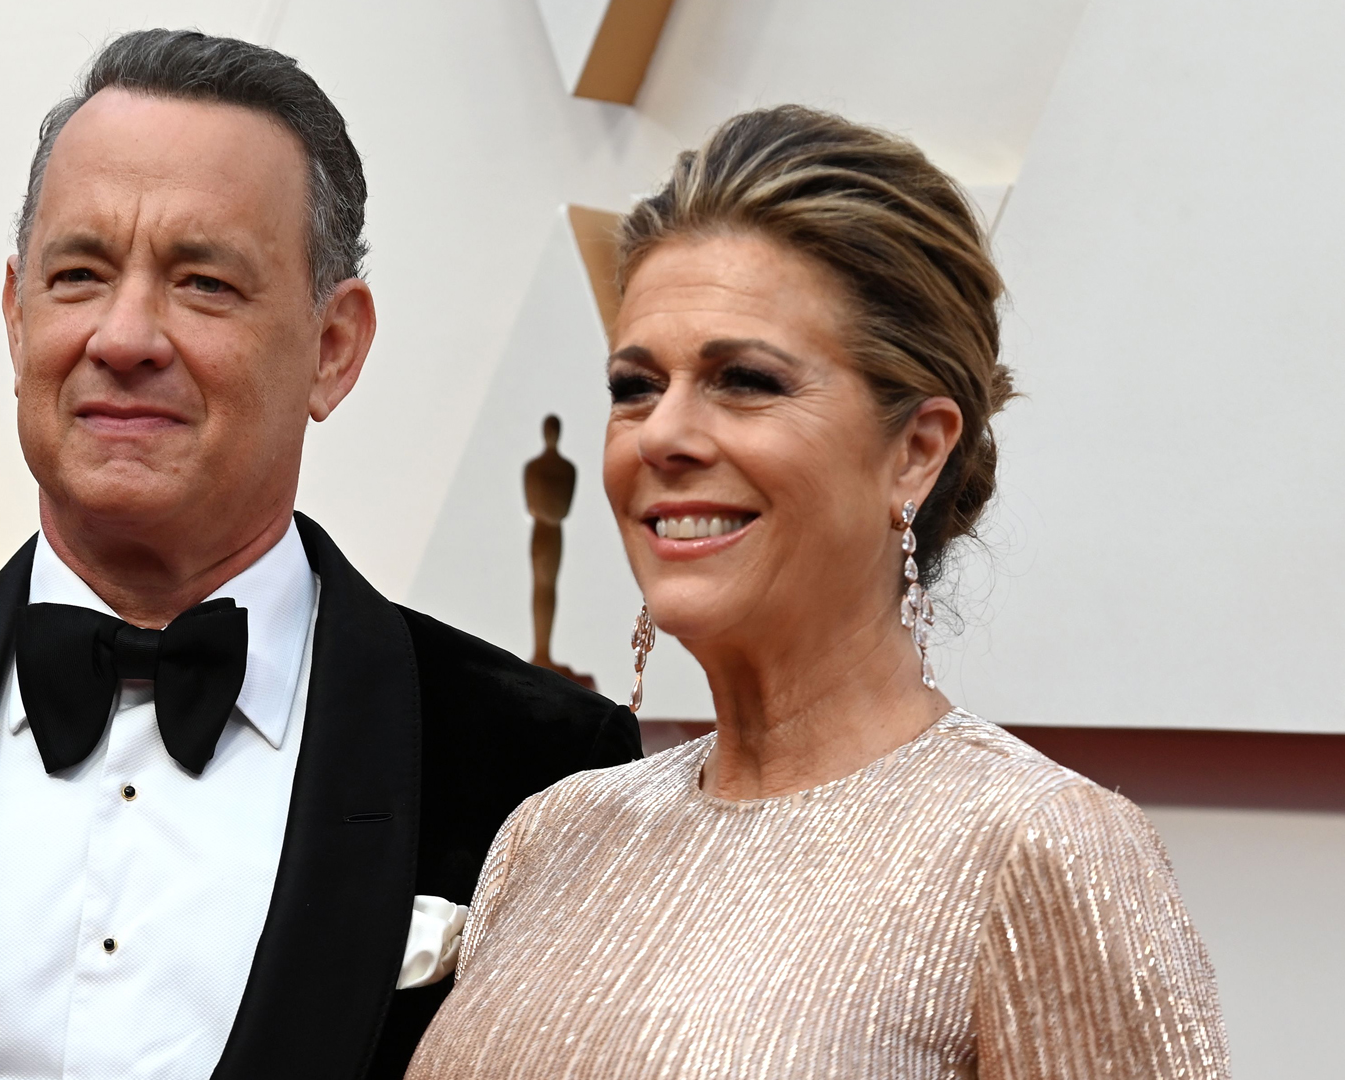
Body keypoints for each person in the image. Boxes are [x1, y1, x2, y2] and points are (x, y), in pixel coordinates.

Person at [0, 29, 638, 1080]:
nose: (125, 335)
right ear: (17, 317)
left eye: (202, 283)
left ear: (333, 349)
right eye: (80, 274)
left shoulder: (542, 776)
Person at [407, 106, 1229, 1079]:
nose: (663, 434)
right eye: (634, 385)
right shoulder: (551, 835)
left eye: (745, 379)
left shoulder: (1036, 851)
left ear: (916, 452)